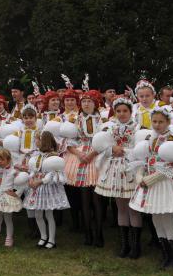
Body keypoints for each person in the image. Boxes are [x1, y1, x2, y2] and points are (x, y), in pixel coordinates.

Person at [129, 108, 173, 270]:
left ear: (168, 122)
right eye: (154, 121)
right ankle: (166, 255)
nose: (157, 125)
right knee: (156, 219)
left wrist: (154, 178)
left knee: (167, 220)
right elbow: (144, 160)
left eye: (161, 122)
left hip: (165, 183)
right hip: (151, 184)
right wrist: (140, 175)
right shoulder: (150, 138)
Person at [95, 96, 141, 256]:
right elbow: (102, 147)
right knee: (121, 207)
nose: (121, 114)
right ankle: (125, 244)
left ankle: (136, 246)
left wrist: (125, 151)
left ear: (130, 111)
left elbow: (141, 148)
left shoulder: (138, 127)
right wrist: (111, 149)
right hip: (114, 168)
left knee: (133, 208)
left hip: (130, 168)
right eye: (118, 111)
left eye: (125, 111)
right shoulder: (110, 127)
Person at [64, 91, 102, 246]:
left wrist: (92, 153)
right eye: (84, 101)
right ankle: (88, 234)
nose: (86, 104)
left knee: (97, 199)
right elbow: (68, 142)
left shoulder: (102, 119)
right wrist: (79, 153)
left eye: (89, 101)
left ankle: (99, 234)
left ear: (95, 103)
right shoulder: (74, 119)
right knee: (84, 199)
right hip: (80, 158)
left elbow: (107, 140)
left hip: (98, 157)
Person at [25, 131, 70, 249]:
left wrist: (40, 182)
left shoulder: (53, 157)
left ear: (43, 141)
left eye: (37, 139)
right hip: (37, 188)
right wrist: (31, 180)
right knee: (38, 214)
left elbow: (52, 174)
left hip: (47, 187)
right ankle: (43, 237)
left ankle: (51, 239)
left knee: (49, 214)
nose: (35, 141)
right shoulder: (37, 156)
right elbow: (33, 171)